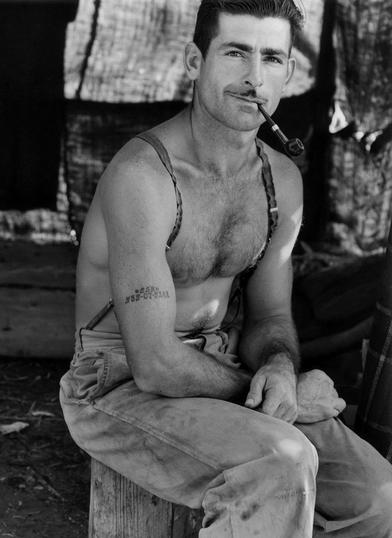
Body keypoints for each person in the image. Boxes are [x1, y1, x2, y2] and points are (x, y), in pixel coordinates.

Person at [60, 1, 392, 536]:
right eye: (236, 52)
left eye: (271, 58)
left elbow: (271, 318)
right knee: (280, 465)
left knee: (379, 497)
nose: (253, 78)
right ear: (196, 61)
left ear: (288, 71)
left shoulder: (280, 181)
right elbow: (154, 365)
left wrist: (281, 370)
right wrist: (273, 398)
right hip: (119, 385)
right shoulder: (144, 176)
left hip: (225, 364)